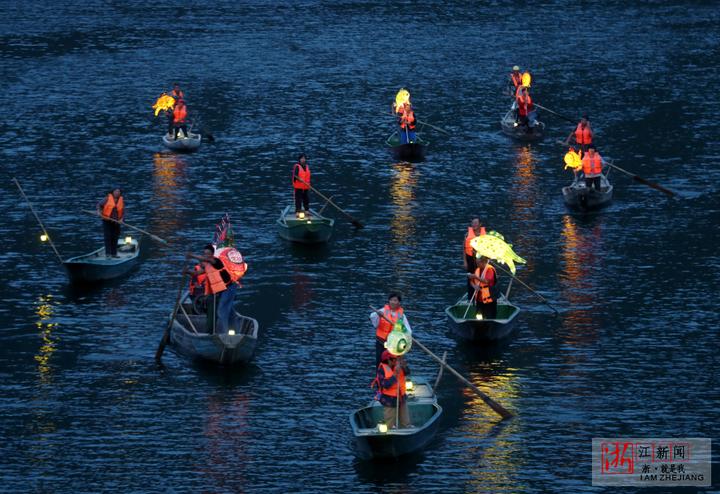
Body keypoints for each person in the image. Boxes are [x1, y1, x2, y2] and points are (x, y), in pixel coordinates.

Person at [186, 245, 237, 334]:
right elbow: (196, 273)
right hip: (221, 290)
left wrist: (192, 255)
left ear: (213, 254)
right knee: (230, 312)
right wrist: (187, 271)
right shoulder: (208, 265)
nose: (206, 256)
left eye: (208, 254)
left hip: (229, 288)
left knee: (221, 311)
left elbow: (207, 260)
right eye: (204, 254)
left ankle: (227, 335)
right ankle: (233, 331)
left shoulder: (216, 261)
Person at [372, 350, 412, 429]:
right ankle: (389, 431)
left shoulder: (399, 365)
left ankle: (406, 428)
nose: (396, 361)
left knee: (405, 420)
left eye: (396, 359)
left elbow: (407, 372)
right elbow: (385, 385)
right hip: (389, 399)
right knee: (389, 422)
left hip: (401, 396)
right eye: (394, 359)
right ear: (388, 360)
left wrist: (404, 366)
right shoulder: (382, 369)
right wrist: (395, 374)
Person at [370, 293, 412, 366]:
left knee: (392, 363)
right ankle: (379, 376)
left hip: (393, 344)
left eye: (395, 300)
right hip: (381, 341)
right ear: (389, 301)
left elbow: (408, 331)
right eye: (391, 300)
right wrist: (378, 315)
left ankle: (391, 376)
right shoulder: (382, 311)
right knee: (380, 362)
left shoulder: (402, 316)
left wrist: (404, 332)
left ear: (399, 302)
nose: (393, 302)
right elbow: (372, 316)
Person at [463, 218, 486, 301]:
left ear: (480, 224)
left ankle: (482, 297)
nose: (474, 224)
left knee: (481, 277)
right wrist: (465, 262)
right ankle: (471, 299)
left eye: (476, 223)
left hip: (481, 260)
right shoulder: (467, 235)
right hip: (470, 259)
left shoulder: (485, 235)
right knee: (470, 277)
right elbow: (464, 249)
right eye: (473, 223)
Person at [96, 188, 124, 258]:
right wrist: (99, 212)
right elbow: (99, 205)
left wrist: (121, 219)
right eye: (116, 191)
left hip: (116, 222)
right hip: (107, 221)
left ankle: (114, 254)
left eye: (118, 191)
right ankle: (108, 254)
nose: (117, 193)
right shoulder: (107, 199)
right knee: (108, 237)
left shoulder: (121, 200)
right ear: (112, 192)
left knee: (115, 237)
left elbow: (123, 211)